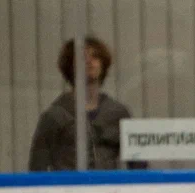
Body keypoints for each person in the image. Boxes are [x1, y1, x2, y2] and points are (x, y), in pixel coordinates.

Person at [28, 37, 137, 171]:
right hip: (68, 190)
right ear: (70, 66)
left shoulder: (118, 113)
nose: (90, 61)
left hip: (108, 189)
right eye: (82, 58)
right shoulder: (55, 116)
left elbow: (137, 163)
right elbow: (37, 166)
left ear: (103, 64)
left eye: (95, 56)